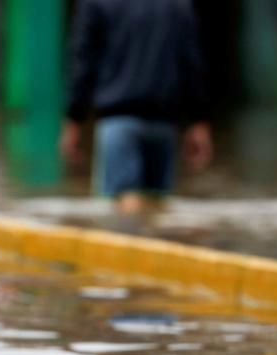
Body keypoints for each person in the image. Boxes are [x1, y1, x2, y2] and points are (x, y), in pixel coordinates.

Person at [60, 0, 213, 217]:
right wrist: (199, 121)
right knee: (157, 210)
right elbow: (191, 62)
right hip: (164, 125)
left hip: (119, 120)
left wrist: (74, 119)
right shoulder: (178, 5)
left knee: (124, 209)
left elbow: (83, 62)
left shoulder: (97, 3)